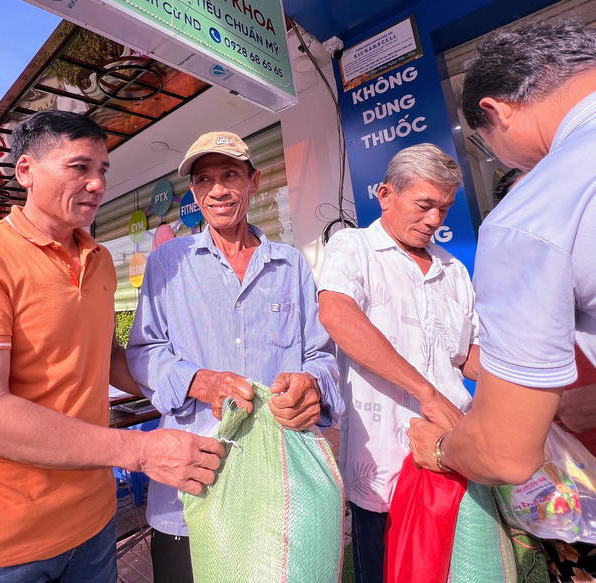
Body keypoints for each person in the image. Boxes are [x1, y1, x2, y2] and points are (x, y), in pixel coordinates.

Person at [0, 111, 226, 582]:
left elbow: (105, 359)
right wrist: (141, 452)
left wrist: (196, 381)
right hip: (1, 537)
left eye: (103, 170)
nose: (96, 184)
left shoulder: (99, 259)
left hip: (93, 522)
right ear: (25, 171)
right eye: (78, 167)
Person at [406, 18, 596, 580]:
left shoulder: (533, 212)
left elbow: (506, 453)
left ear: (499, 111)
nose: (517, 168)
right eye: (423, 205)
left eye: (443, 206)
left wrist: (441, 449)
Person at [126, 131, 342, 583]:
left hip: (279, 483)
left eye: (230, 176)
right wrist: (199, 381)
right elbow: (143, 352)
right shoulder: (168, 262)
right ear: (195, 193)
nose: (218, 190)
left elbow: (321, 356)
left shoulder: (290, 265)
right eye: (205, 180)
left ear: (254, 181)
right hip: (193, 479)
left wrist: (312, 387)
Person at [318, 143, 480, 583]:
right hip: (384, 469)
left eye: (444, 209)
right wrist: (426, 392)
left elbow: (466, 356)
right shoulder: (354, 248)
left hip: (452, 456)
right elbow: (337, 314)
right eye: (425, 205)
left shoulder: (453, 270)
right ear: (386, 195)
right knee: (386, 570)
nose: (435, 221)